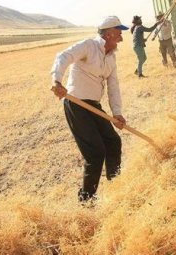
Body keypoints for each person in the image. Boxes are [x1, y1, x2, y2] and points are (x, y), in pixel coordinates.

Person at [50, 15, 128, 203]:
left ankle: (115, 188)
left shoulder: (111, 57)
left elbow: (113, 86)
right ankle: (86, 200)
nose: (121, 37)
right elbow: (63, 56)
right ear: (108, 34)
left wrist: (116, 113)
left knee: (113, 142)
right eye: (119, 32)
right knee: (95, 152)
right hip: (76, 103)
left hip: (94, 106)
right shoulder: (88, 46)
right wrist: (57, 81)